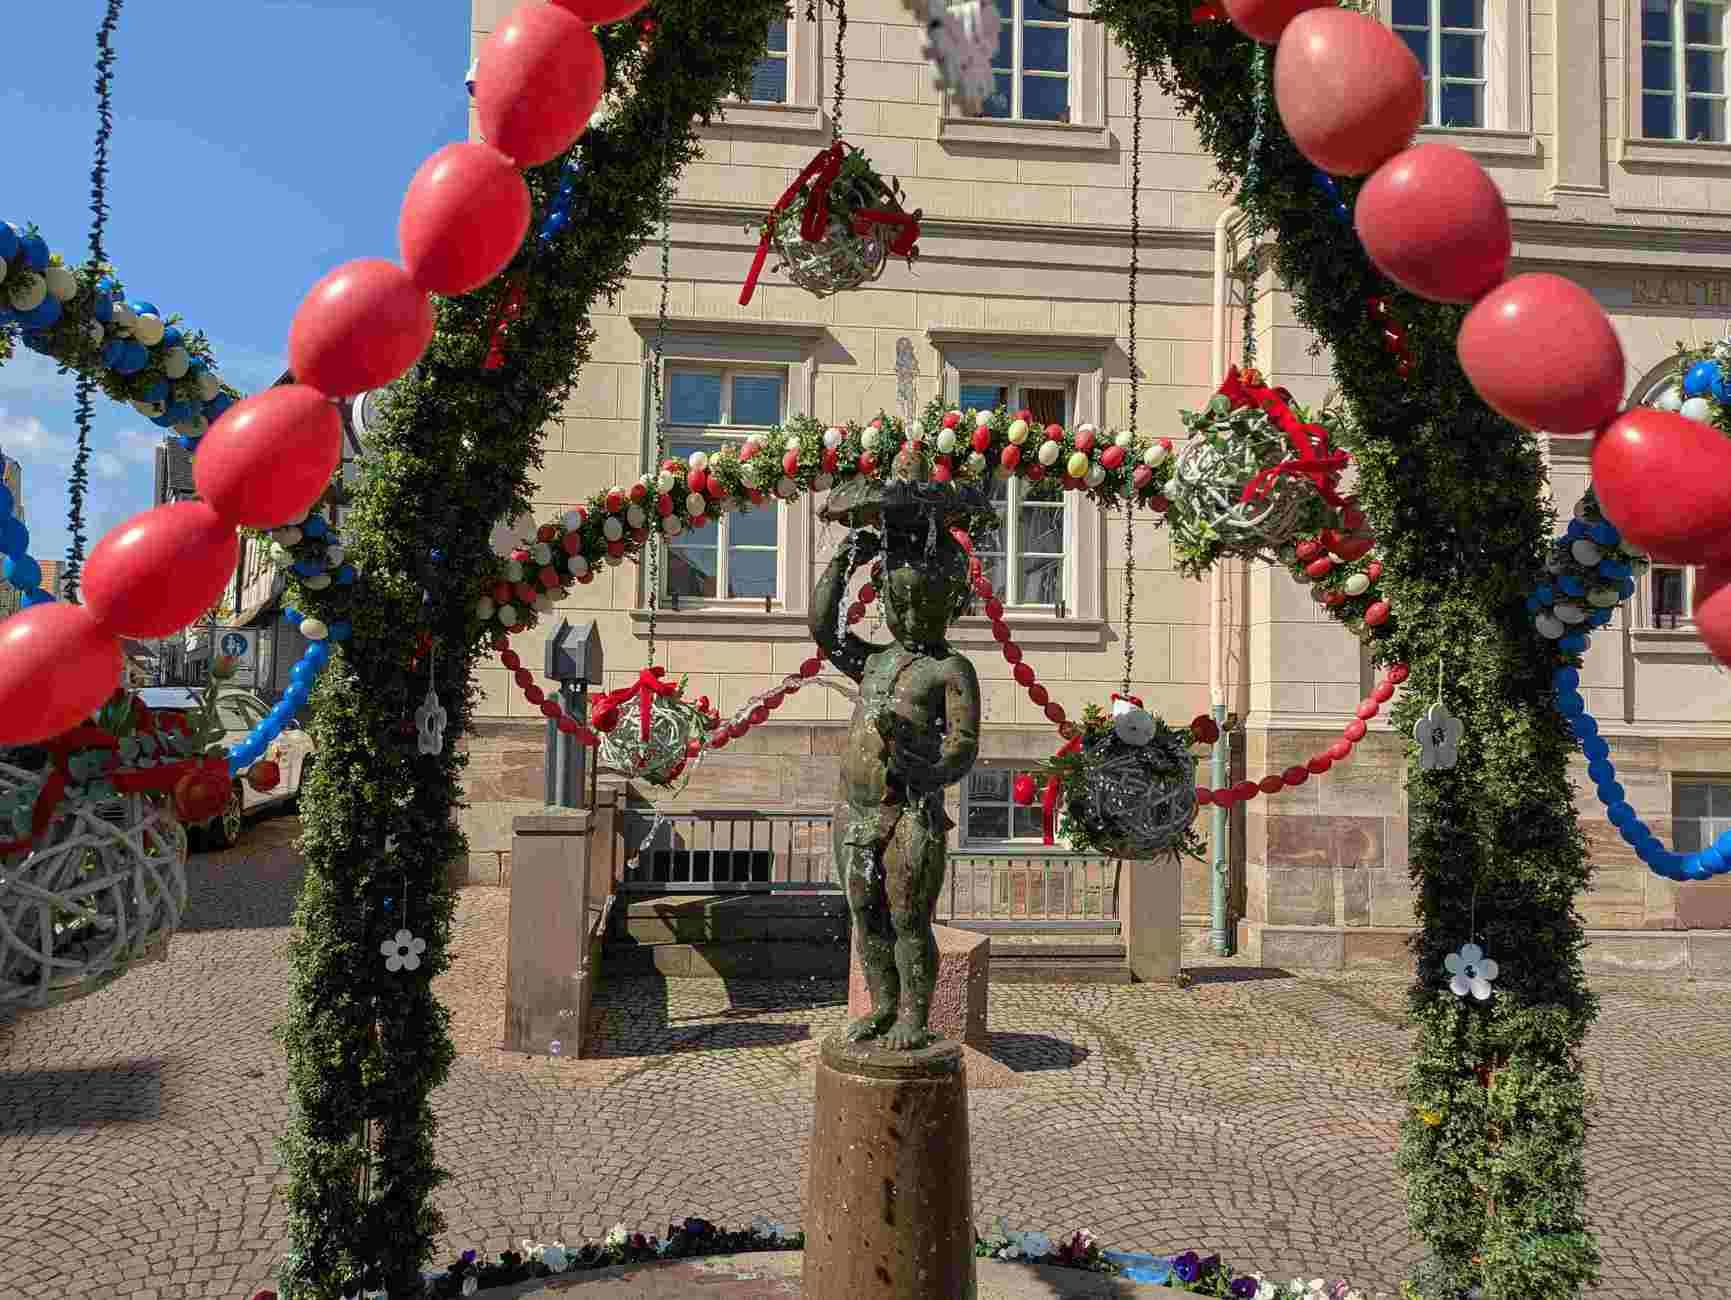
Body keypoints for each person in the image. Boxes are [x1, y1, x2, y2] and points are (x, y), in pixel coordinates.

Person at [812, 470, 982, 1050]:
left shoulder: (950, 670)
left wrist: (919, 760)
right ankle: (883, 1004)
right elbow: (823, 628)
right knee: (865, 913)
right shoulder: (876, 662)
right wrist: (845, 558)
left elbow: (961, 749)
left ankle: (915, 1013)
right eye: (900, 603)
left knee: (910, 918)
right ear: (885, 601)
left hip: (910, 810)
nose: (910, 616)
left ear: (949, 604)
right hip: (854, 810)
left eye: (923, 604)